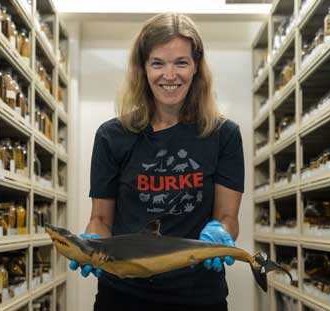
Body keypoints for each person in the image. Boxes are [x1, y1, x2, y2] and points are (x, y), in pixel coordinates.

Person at [70, 13, 245, 311]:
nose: (170, 75)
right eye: (158, 63)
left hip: (198, 296)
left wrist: (222, 232)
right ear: (143, 68)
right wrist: (94, 247)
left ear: (196, 68)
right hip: (123, 295)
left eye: (181, 62)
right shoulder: (111, 136)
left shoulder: (223, 135)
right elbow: (100, 219)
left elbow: (228, 216)